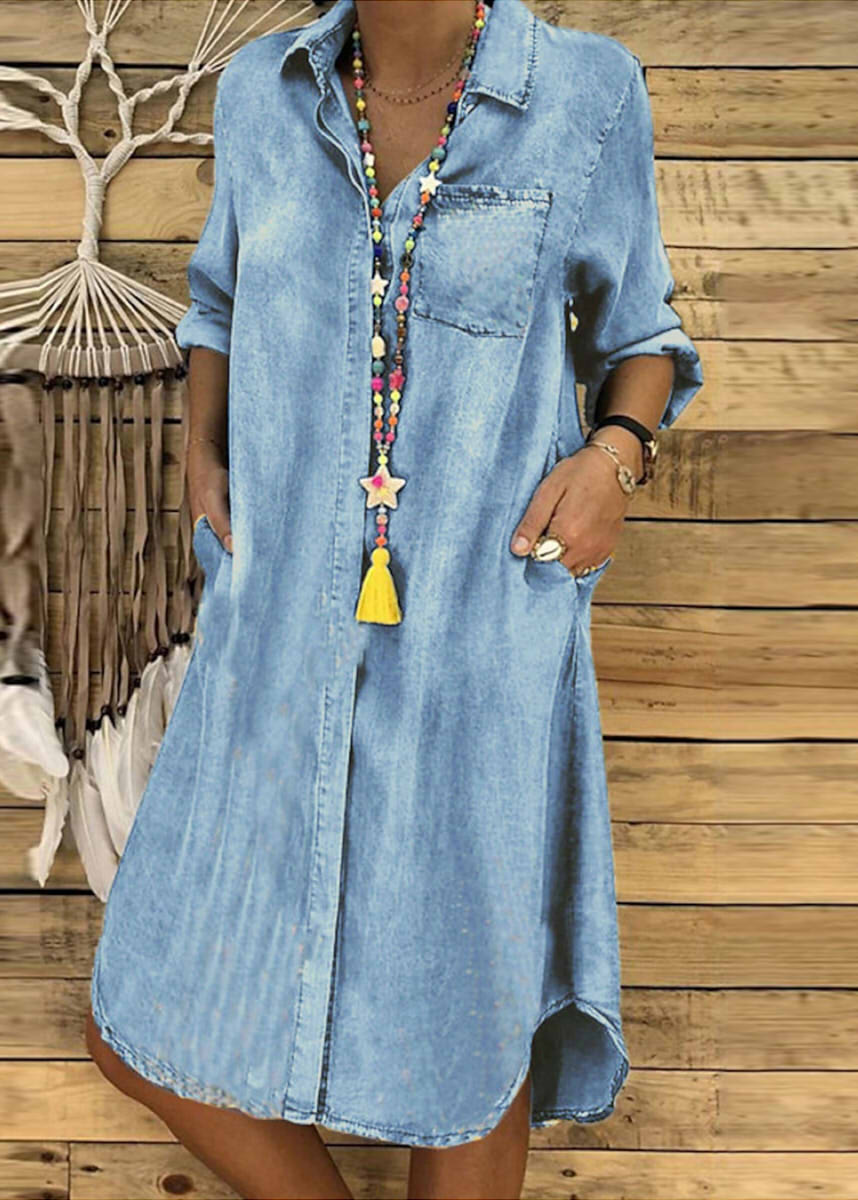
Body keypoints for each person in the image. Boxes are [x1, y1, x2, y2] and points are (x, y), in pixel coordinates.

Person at [85, 1, 703, 1197]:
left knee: (465, 1030)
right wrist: (200, 453)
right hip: (273, 632)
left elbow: (643, 334)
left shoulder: (585, 91)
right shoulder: (264, 90)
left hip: (480, 636)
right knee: (144, 1018)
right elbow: (218, 301)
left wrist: (614, 457)